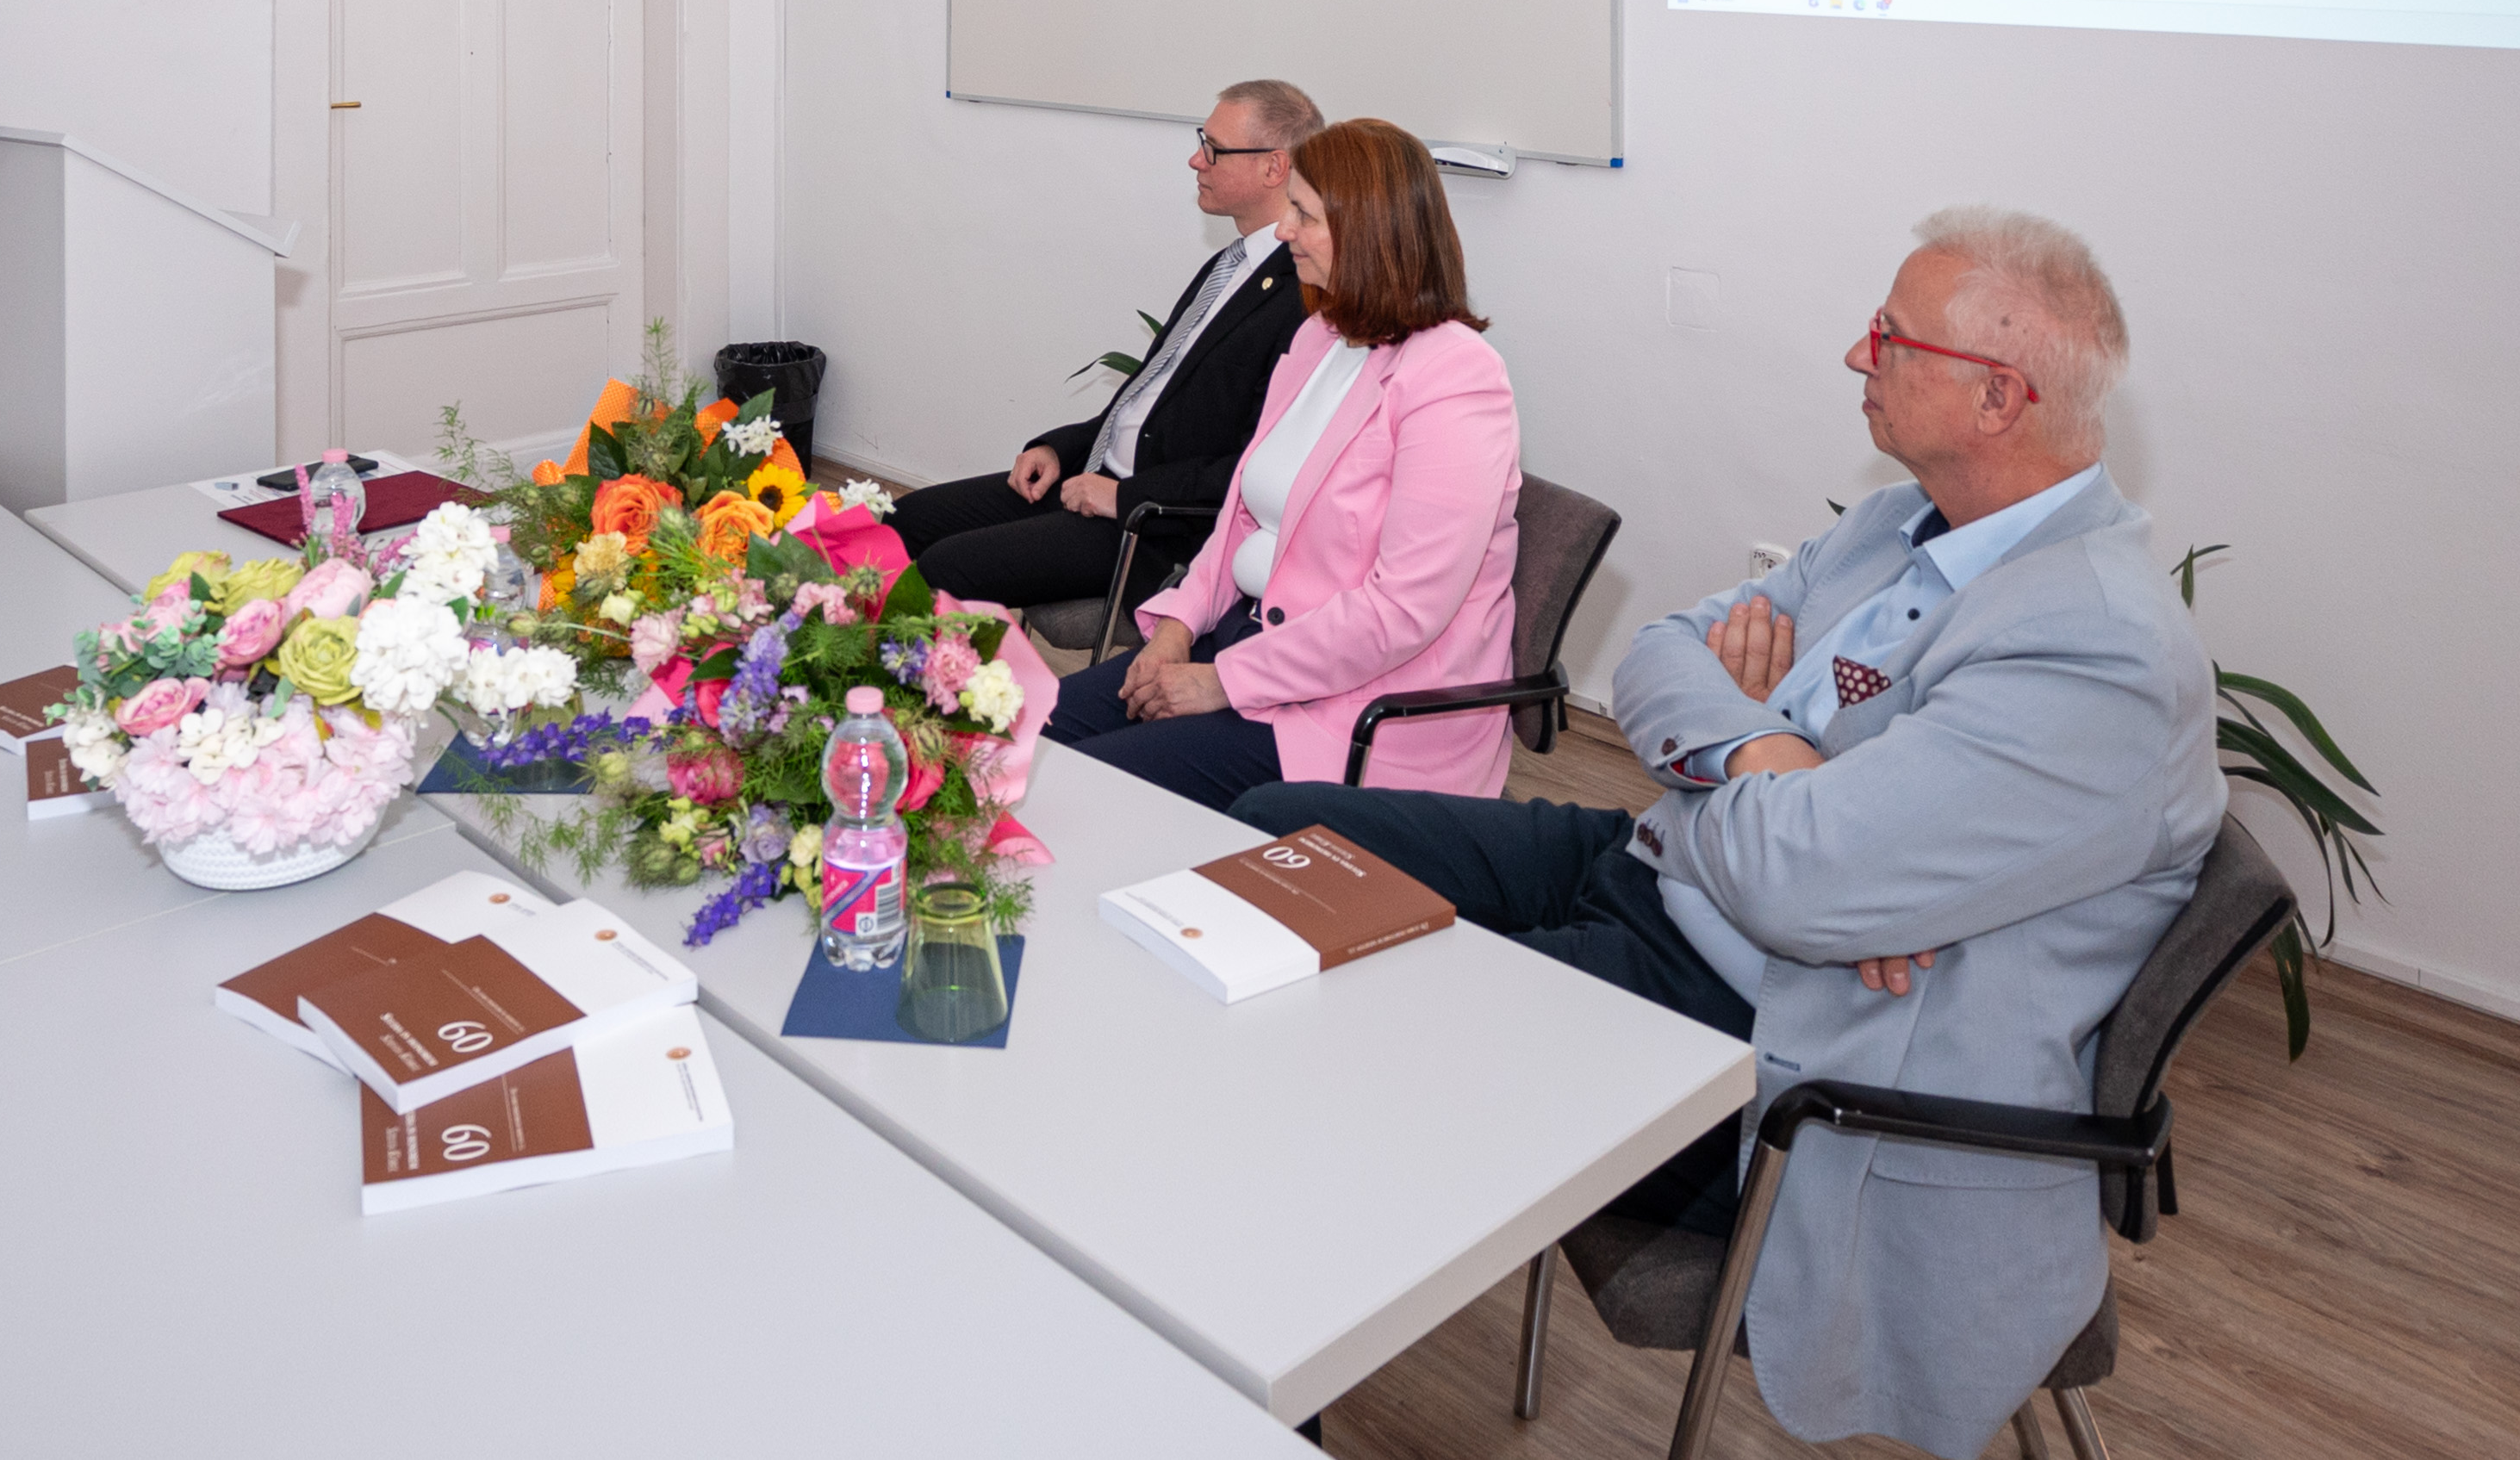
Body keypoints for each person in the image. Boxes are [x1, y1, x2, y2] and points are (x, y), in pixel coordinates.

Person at [1235, 208, 2224, 1460]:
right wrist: (1768, 760)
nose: (1856, 354)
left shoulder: (2097, 652)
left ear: (1997, 397)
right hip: (1657, 878)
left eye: (1890, 337)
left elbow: (1798, 884)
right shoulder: (1893, 523)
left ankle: (1235, 1400)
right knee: (1275, 841)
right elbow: (1656, 658)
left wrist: (1750, 786)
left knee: (1335, 1036)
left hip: (1777, 1047)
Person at [1042, 117, 1521, 807]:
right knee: (1025, 736)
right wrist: (1176, 630)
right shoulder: (1319, 339)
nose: (1285, 229)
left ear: (1371, 230)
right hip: (1248, 642)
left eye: (1304, 214)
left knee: (1075, 791)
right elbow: (1238, 520)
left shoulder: (1456, 376)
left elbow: (1401, 612)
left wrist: (1223, 680)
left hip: (1356, 705)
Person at [887, 78, 1318, 609]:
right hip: (1095, 477)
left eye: (1213, 149)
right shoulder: (1231, 265)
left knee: (945, 568)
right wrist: (1059, 448)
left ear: (1273, 167)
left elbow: (1255, 466)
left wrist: (1124, 496)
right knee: (903, 520)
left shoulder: (1302, 298)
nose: (1195, 160)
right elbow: (1149, 399)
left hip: (1153, 524)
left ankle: (919, 661)